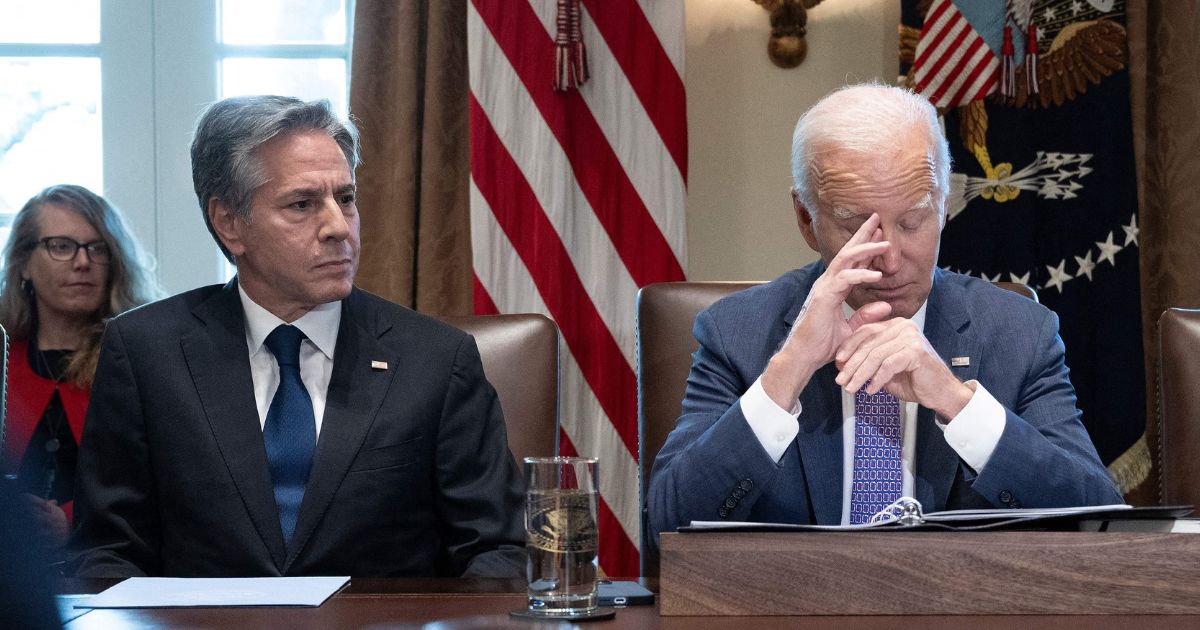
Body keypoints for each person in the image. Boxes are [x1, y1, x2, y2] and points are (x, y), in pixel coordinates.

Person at [647, 84, 1121, 552]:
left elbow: (1101, 522)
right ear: (806, 219)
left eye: (913, 222)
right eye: (859, 227)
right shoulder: (738, 333)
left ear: (944, 206)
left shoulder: (1019, 334)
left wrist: (957, 403)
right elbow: (665, 527)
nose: (890, 259)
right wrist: (787, 371)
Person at [69, 95, 525, 577]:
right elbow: (105, 555)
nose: (337, 227)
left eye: (345, 199)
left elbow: (500, 551)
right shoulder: (146, 353)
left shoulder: (434, 359)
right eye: (303, 204)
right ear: (229, 224)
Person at [0, 185, 158, 552]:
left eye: (97, 248)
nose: (83, 262)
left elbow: (162, 484)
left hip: (114, 564)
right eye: (61, 246)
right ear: (24, 262)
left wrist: (69, 520)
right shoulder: (2, 356)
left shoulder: (144, 357)